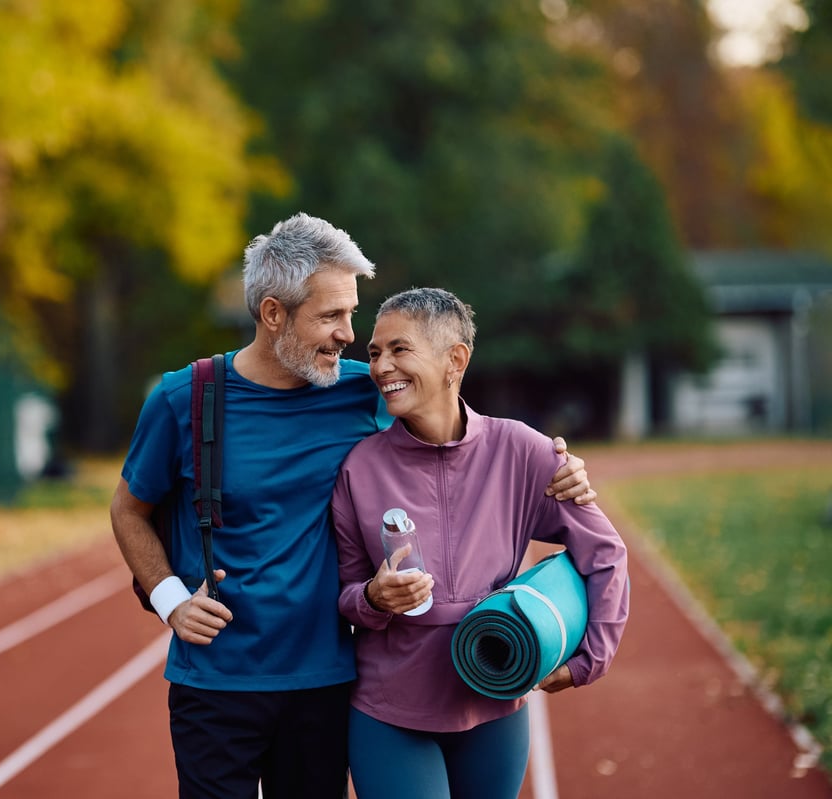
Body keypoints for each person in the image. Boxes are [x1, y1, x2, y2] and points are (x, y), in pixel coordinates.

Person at [110, 214, 595, 799]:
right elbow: (128, 510)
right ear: (272, 314)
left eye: (351, 314)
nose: (348, 334)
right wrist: (170, 601)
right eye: (330, 316)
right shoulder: (184, 399)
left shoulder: (366, 390)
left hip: (328, 682)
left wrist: (556, 465)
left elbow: (464, 429)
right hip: (217, 682)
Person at [332, 287, 630, 799]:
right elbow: (346, 594)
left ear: (455, 360)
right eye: (375, 352)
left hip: (496, 698)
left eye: (399, 349)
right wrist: (374, 599)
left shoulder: (525, 451)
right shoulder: (359, 467)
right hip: (390, 711)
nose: (381, 367)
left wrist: (588, 660)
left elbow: (604, 553)